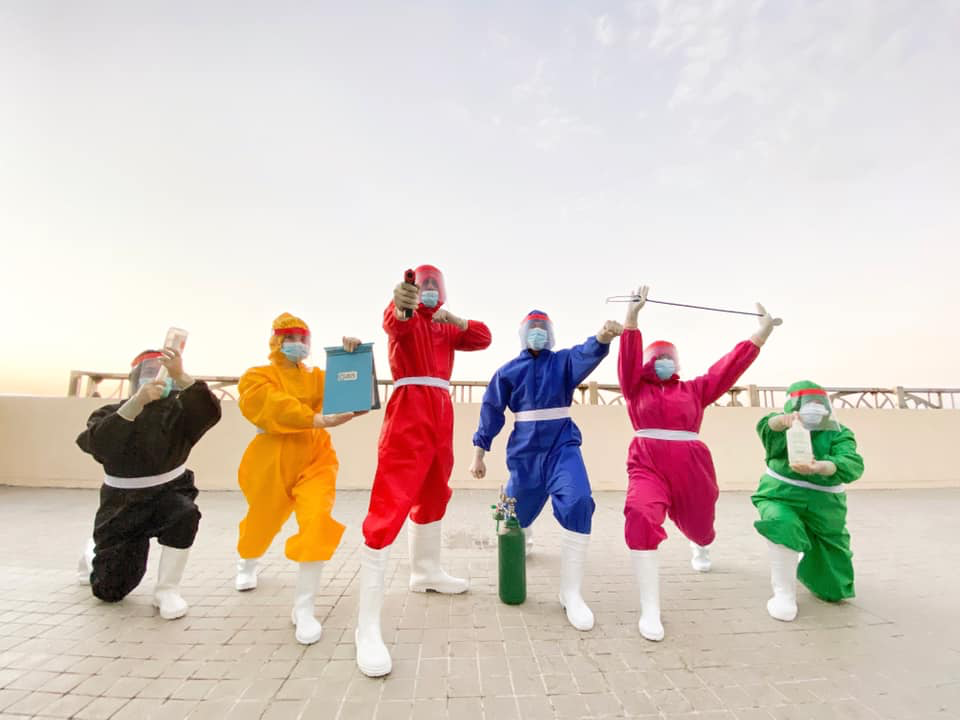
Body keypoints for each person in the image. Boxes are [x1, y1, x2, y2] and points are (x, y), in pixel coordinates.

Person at [618, 285, 780, 641]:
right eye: (657, 358)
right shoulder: (635, 389)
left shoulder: (694, 390)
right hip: (647, 462)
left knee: (701, 524)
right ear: (647, 363)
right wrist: (632, 320)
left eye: (669, 359)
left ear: (677, 364)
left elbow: (727, 369)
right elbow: (627, 361)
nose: (664, 363)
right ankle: (650, 609)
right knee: (641, 514)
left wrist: (759, 336)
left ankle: (702, 542)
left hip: (691, 464)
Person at [356, 264, 491, 677]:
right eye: (423, 287)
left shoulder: (448, 327)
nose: (428, 291)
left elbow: (483, 338)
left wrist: (455, 318)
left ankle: (425, 571)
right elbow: (394, 321)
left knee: (436, 491)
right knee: (391, 500)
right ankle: (367, 627)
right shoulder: (408, 316)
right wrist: (401, 304)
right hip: (409, 407)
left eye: (434, 286)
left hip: (441, 411)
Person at [469, 310, 623, 630]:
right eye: (532, 329)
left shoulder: (562, 363)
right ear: (523, 334)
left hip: (561, 448)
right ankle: (522, 532)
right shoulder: (508, 372)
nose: (537, 333)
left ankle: (571, 594)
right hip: (524, 455)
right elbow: (491, 412)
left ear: (550, 333)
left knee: (579, 501)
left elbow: (586, 353)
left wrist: (604, 336)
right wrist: (478, 455)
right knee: (509, 517)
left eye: (542, 328)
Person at [235, 312, 364, 645]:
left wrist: (355, 357)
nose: (297, 345)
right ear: (277, 341)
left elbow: (350, 389)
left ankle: (303, 610)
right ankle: (248, 560)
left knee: (316, 520)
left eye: (302, 339)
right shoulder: (256, 376)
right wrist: (316, 418)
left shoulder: (317, 377)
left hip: (316, 455)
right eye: (290, 339)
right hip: (271, 454)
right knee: (261, 519)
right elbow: (272, 405)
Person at [76, 346, 221, 620]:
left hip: (168, 492)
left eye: (164, 371)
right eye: (150, 371)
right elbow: (98, 444)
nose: (157, 377)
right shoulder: (110, 412)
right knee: (110, 591)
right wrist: (136, 404)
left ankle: (167, 590)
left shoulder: (179, 410)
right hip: (122, 504)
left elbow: (209, 412)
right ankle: (92, 549)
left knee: (185, 514)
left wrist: (181, 375)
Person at [752, 380, 864, 621]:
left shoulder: (839, 432)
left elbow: (852, 462)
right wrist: (782, 421)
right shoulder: (784, 426)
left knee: (834, 590)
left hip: (826, 505)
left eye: (818, 403)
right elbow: (766, 426)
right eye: (807, 404)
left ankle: (803, 556)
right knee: (783, 525)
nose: (813, 409)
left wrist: (821, 467)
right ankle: (783, 595)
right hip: (780, 494)